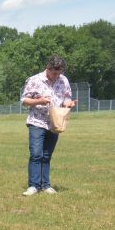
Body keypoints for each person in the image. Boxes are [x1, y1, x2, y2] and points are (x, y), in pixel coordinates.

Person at [20, 55, 77, 196]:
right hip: (37, 122)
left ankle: (46, 185)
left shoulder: (63, 80)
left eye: (59, 73)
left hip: (55, 123)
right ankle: (33, 186)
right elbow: (24, 101)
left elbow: (66, 97)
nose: (57, 76)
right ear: (48, 68)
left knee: (46, 155)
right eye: (54, 73)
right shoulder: (34, 80)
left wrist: (68, 103)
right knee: (36, 154)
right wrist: (39, 101)